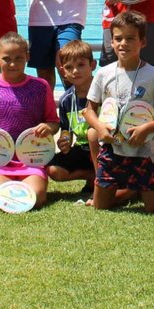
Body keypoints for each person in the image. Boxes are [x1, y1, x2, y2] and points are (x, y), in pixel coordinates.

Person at [82, 11, 154, 214]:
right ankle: (133, 190)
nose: (123, 44)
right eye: (118, 39)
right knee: (101, 206)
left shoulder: (153, 76)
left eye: (130, 38)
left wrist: (148, 128)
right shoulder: (104, 74)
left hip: (142, 152)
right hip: (111, 150)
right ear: (111, 42)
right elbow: (89, 110)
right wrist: (100, 128)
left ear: (143, 42)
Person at [0, 33, 59, 208]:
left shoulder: (40, 86)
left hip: (31, 158)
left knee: (36, 199)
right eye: (6, 58)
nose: (12, 64)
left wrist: (47, 127)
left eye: (18, 58)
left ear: (27, 58)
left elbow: (53, 122)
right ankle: (1, 182)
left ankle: (31, 181)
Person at [49, 38, 98, 199]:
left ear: (92, 65)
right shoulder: (66, 100)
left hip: (105, 148)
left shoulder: (103, 93)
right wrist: (64, 141)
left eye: (81, 65)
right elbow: (66, 129)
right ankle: (91, 176)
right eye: (69, 67)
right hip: (81, 149)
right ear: (63, 71)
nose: (75, 71)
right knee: (53, 170)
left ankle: (102, 179)